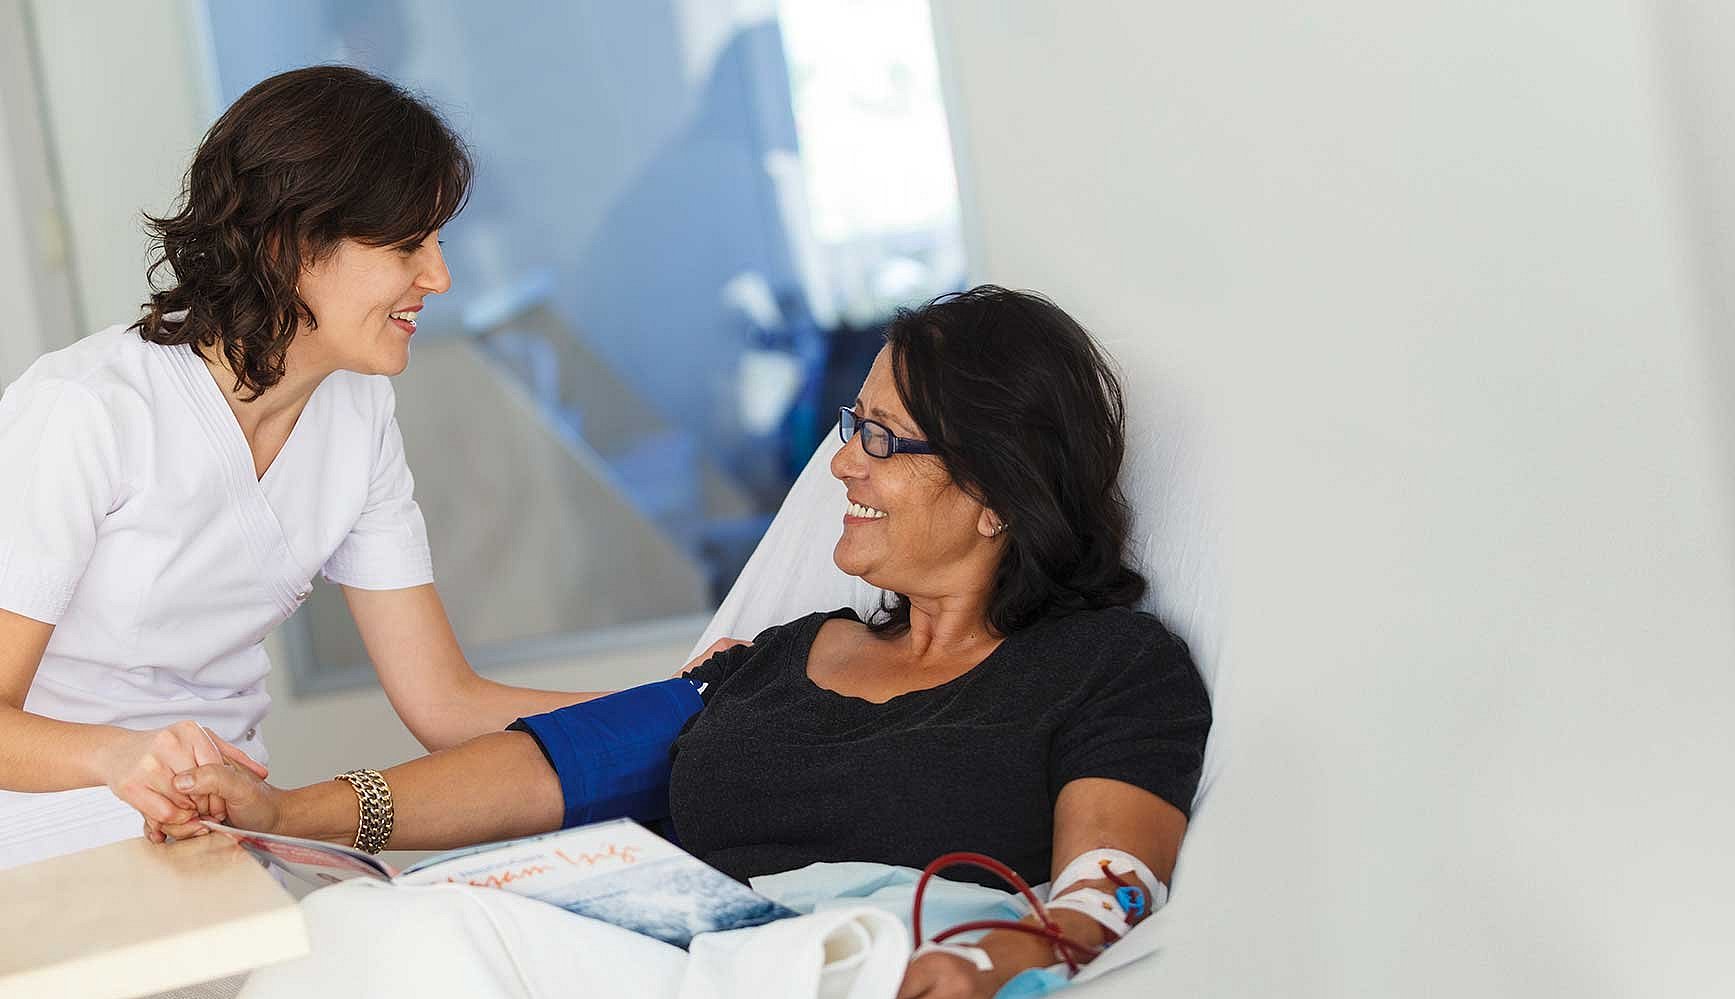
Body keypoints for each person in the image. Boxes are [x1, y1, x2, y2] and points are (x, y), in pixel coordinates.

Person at [172, 287, 1212, 998]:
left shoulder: (1108, 668)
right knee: (355, 932)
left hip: (869, 962)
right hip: (681, 959)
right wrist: (287, 815)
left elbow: (1107, 888)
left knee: (411, 946)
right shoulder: (786, 656)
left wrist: (997, 959)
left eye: (882, 441)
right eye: (854, 425)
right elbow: (563, 766)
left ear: (995, 491)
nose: (843, 466)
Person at [0, 66, 618, 869]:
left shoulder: (356, 415)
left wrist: (689, 701)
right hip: (45, 845)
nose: (438, 276)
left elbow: (446, 704)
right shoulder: (85, 409)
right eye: (406, 245)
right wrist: (116, 757)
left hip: (215, 837)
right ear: (291, 244)